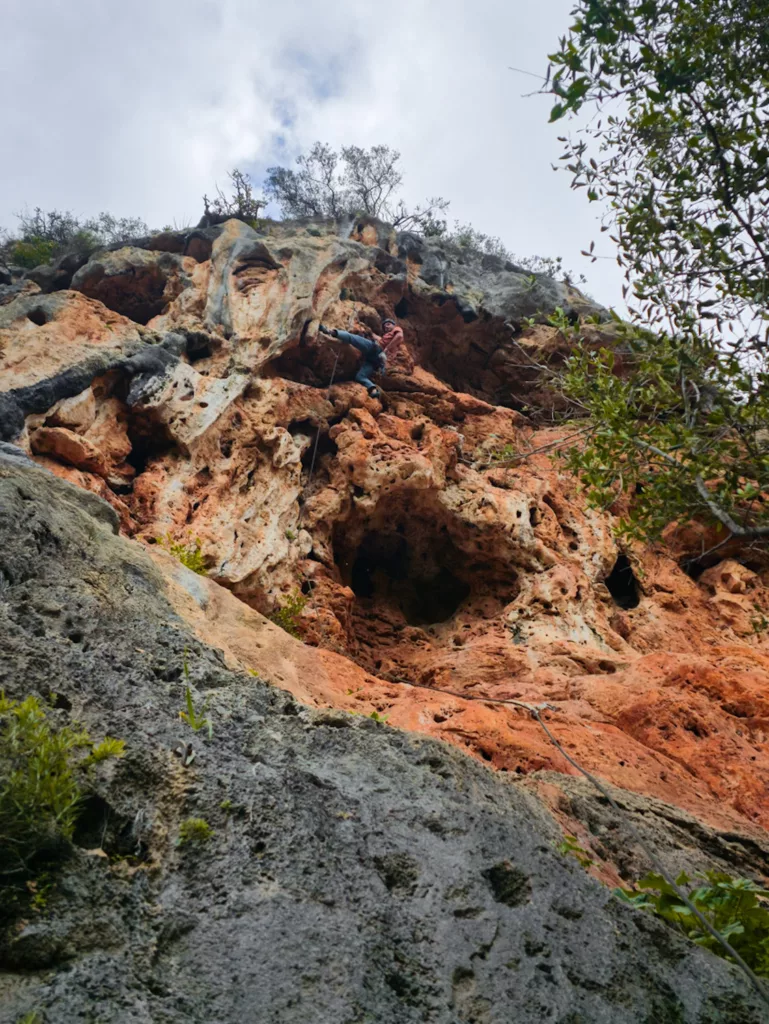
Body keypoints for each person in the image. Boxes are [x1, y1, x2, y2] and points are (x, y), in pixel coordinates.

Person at [318, 317, 404, 399]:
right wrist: (367, 331)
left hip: (375, 349)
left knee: (352, 338)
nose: (386, 326)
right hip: (376, 360)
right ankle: (373, 390)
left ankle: (329, 331)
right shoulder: (387, 337)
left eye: (388, 324)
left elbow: (399, 336)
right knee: (360, 376)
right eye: (385, 325)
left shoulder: (397, 330)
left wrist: (386, 350)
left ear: (394, 325)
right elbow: (376, 337)